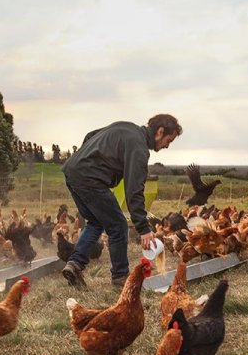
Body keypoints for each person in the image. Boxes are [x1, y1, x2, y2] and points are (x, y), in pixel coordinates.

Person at [60, 114, 182, 288]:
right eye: (168, 140)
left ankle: (75, 264)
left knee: (96, 221)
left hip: (73, 172)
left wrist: (84, 159)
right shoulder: (139, 148)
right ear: (160, 131)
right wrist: (143, 228)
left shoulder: (126, 127)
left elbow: (90, 135)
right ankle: (120, 278)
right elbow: (134, 190)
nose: (167, 146)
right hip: (91, 179)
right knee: (118, 225)